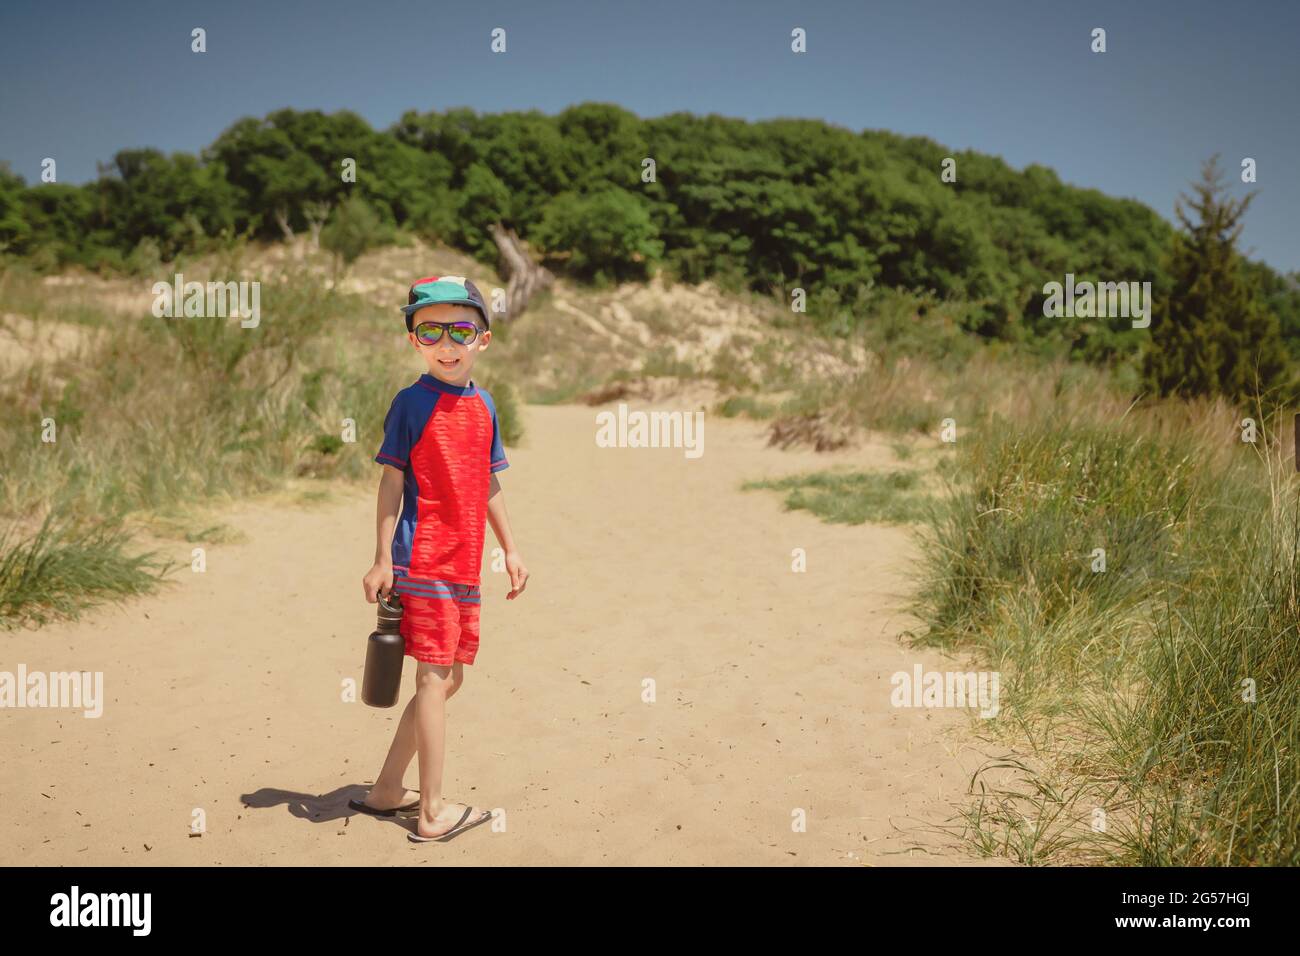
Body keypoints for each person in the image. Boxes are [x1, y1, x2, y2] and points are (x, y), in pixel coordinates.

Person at [357, 275, 529, 843]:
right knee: (433, 679)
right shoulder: (409, 404)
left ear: (483, 338)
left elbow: (488, 485)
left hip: (466, 564)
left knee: (449, 679)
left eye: (461, 328)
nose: (446, 341)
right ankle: (430, 811)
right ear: (414, 340)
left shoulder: (484, 404)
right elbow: (391, 483)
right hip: (421, 560)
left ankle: (387, 789)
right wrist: (383, 558)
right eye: (430, 329)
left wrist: (511, 548)